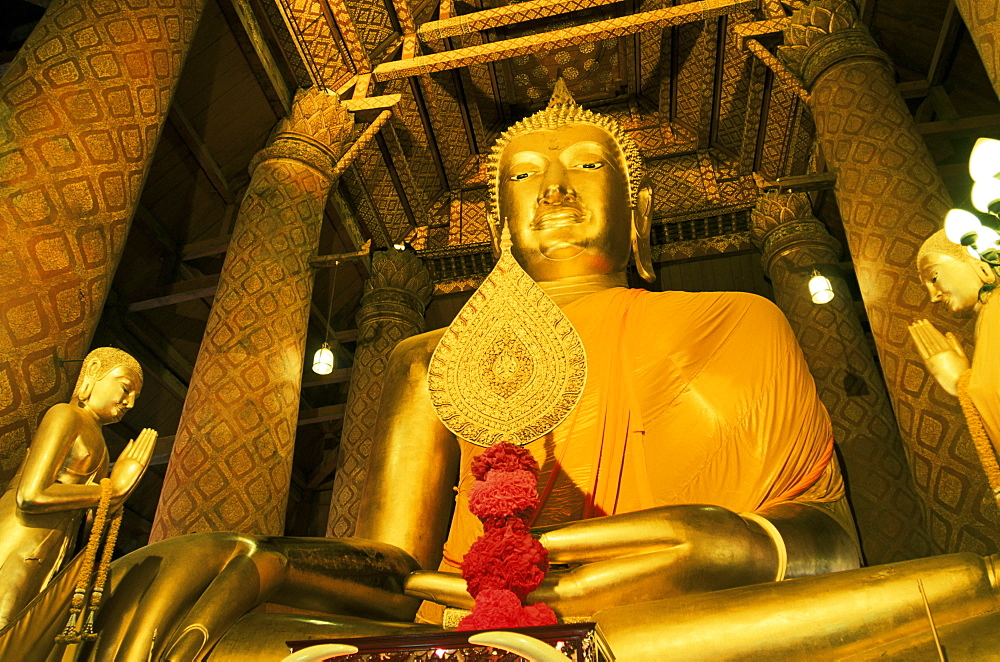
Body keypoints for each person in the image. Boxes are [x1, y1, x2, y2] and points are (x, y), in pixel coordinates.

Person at [50, 84, 860, 661]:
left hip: (687, 631)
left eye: (585, 167)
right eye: (522, 178)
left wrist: (734, 546)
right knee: (219, 636)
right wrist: (269, 560)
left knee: (973, 592)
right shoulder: (430, 358)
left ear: (638, 212)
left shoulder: (736, 320)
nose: (552, 188)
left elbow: (833, 544)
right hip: (458, 637)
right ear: (501, 227)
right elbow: (398, 570)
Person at [0, 347, 156, 630]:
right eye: (125, 388)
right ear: (94, 370)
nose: (129, 402)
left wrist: (114, 502)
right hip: (22, 535)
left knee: (19, 632)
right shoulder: (66, 415)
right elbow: (31, 495)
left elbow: (86, 524)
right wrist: (113, 491)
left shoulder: (102, 446)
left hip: (52, 546)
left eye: (134, 396)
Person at [909, 229, 1000, 461]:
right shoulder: (989, 316)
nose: (933, 296)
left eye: (934, 278)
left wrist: (965, 383)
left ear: (980, 266)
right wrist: (964, 381)